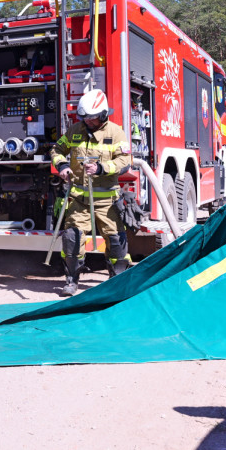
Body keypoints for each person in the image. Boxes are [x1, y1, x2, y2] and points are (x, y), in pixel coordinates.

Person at [51, 89, 133, 296]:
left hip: (107, 200)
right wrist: (62, 167)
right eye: (85, 118)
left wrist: (101, 168)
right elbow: (57, 150)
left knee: (116, 241)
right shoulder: (75, 130)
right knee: (71, 238)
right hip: (79, 199)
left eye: (93, 118)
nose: (88, 122)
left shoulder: (116, 132)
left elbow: (125, 161)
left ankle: (117, 281)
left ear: (104, 114)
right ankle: (71, 280)